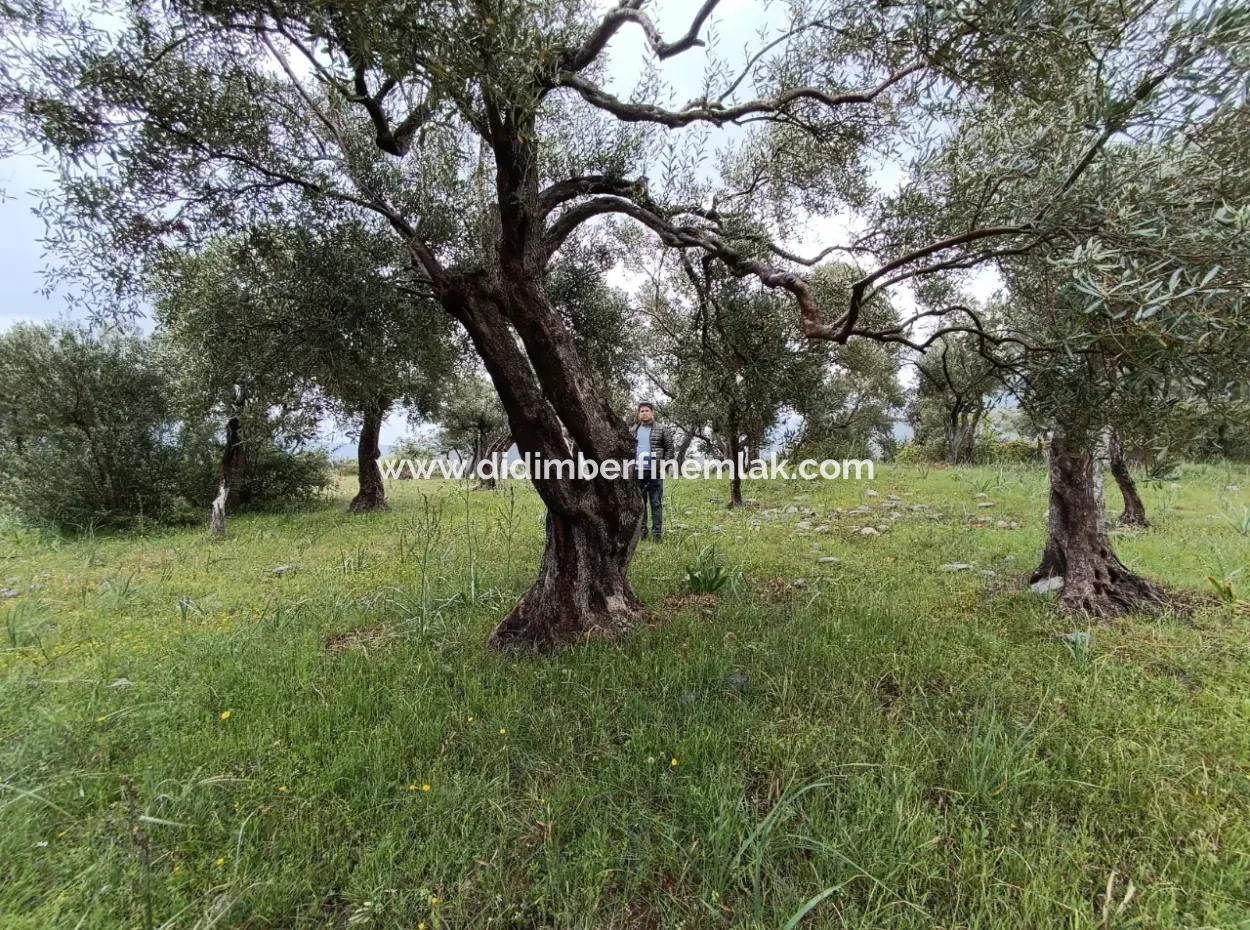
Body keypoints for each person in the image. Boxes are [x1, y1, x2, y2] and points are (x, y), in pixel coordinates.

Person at [629, 401, 674, 541]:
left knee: (656, 503)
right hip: (638, 472)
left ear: (652, 412)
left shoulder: (661, 429)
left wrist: (663, 465)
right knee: (640, 505)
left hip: (655, 471)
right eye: (642, 411)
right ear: (638, 414)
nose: (644, 413)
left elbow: (669, 448)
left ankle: (657, 535)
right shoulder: (633, 430)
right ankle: (642, 534)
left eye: (647, 411)